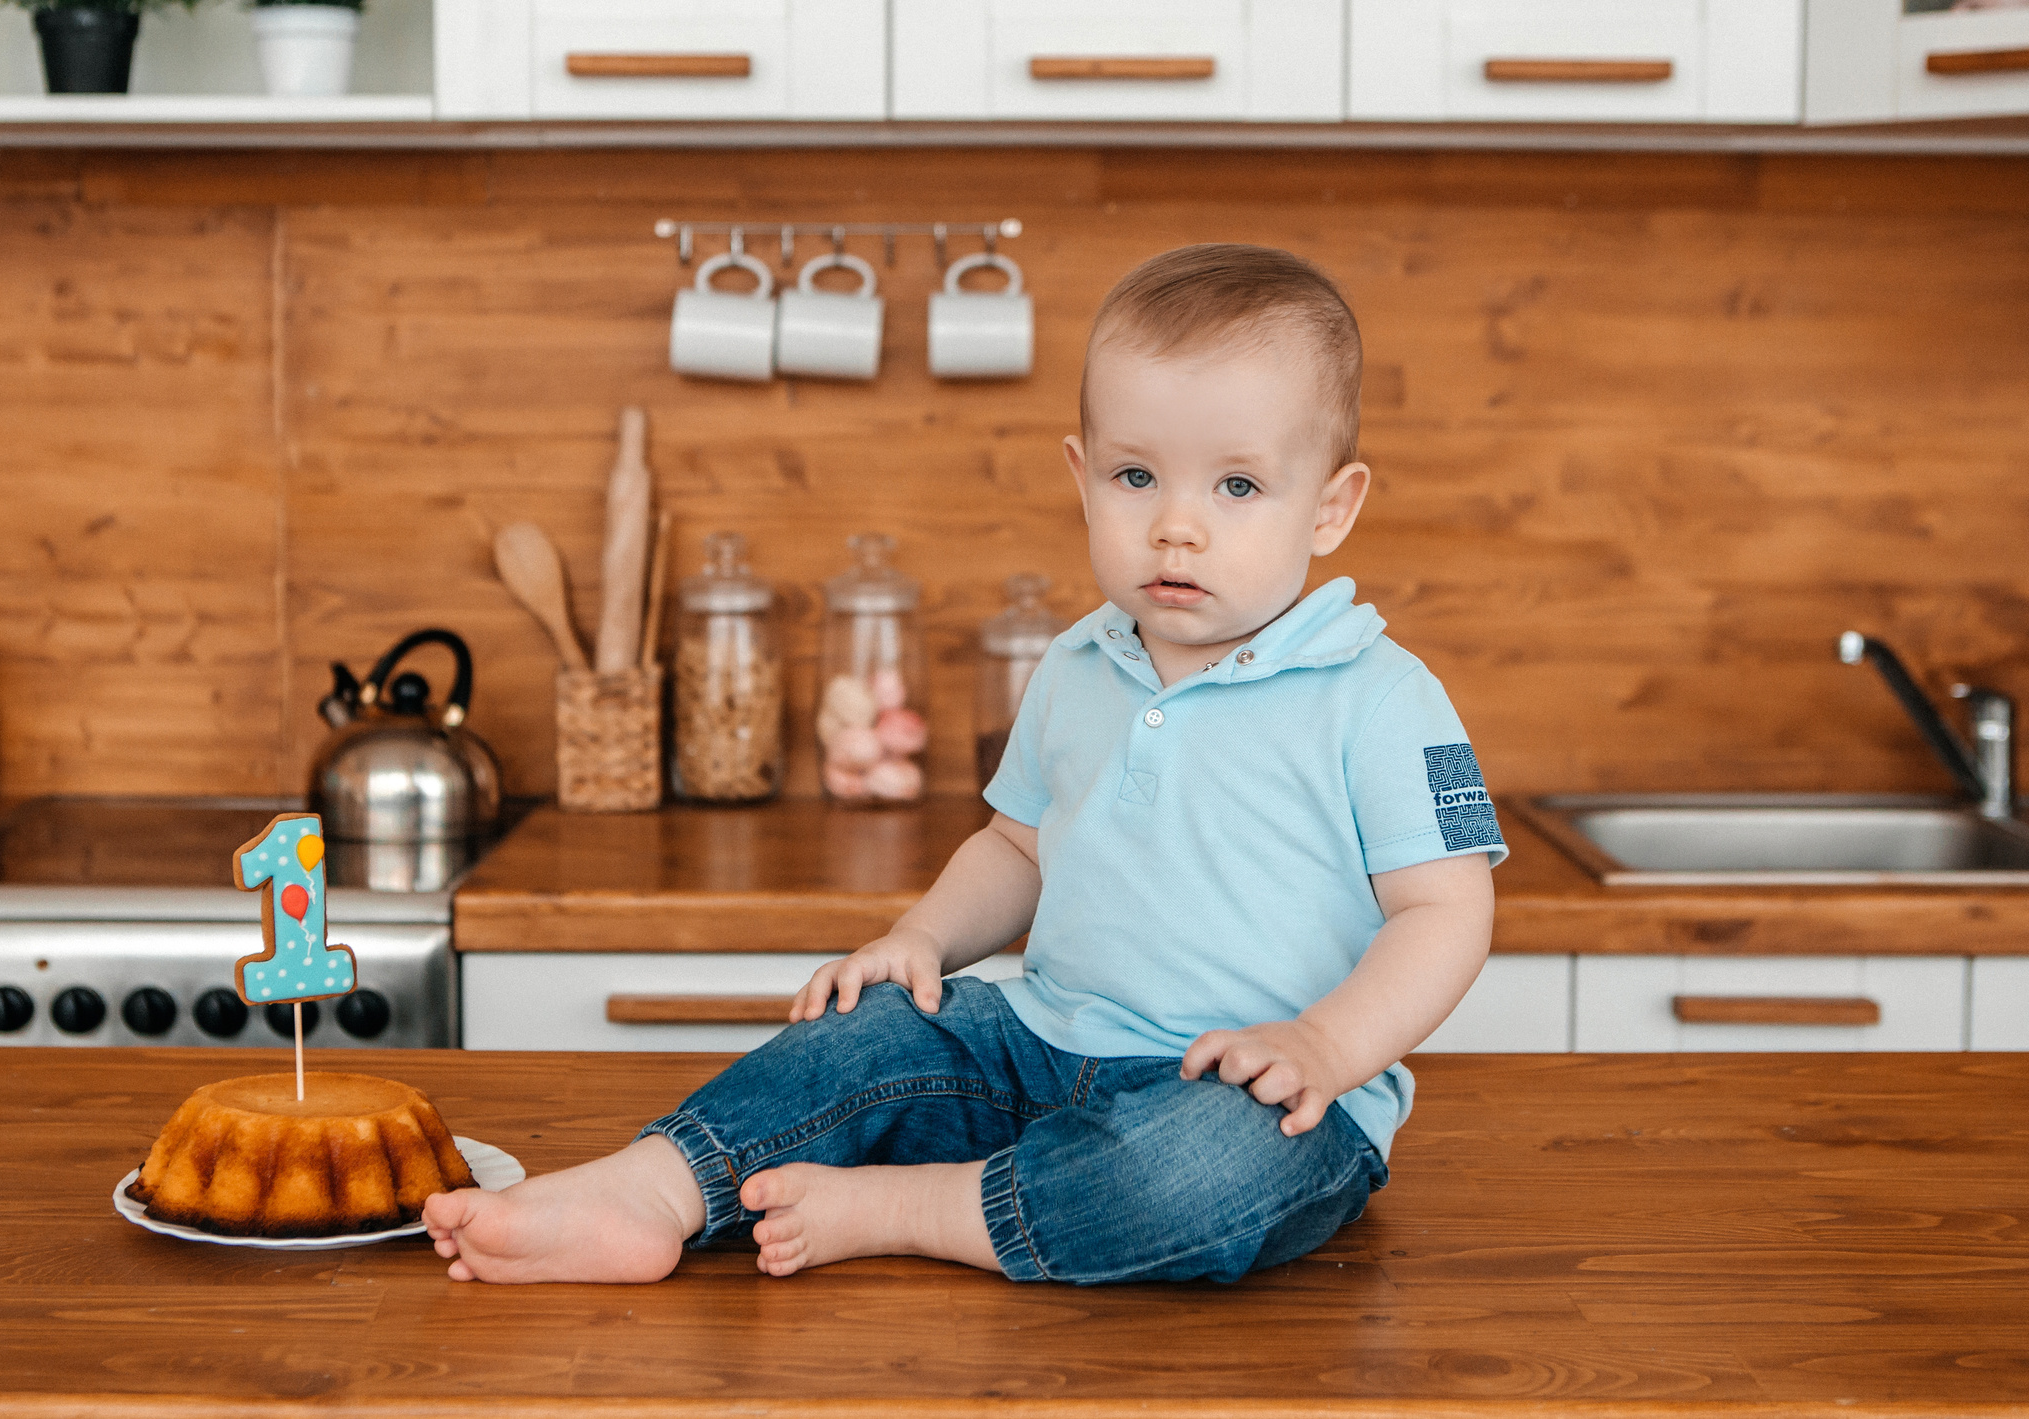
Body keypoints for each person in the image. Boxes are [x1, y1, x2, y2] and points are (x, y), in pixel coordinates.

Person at [424, 242, 1503, 1286]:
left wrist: (1321, 1045)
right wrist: (920, 937)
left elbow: (1445, 914)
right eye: (1137, 475)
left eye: (1236, 487)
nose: (1176, 527)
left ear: (1330, 508)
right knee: (868, 1035)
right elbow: (1016, 846)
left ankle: (924, 1211)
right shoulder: (1079, 664)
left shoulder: (1379, 696)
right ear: (1082, 479)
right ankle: (654, 1187)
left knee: (1193, 1174)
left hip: (1264, 1097)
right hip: (1043, 1042)